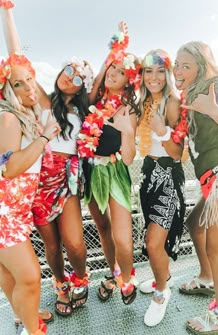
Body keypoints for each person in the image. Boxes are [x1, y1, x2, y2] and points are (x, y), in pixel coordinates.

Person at [1, 2, 96, 318]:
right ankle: (61, 284)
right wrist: (8, 12)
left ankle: (81, 278)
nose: (70, 78)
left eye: (78, 77)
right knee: (52, 247)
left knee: (74, 242)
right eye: (68, 70)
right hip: (39, 178)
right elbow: (17, 60)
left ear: (84, 87)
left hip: (67, 180)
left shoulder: (86, 112)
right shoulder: (40, 97)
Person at [173, 41, 218, 334]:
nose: (178, 70)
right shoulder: (191, 95)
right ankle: (207, 279)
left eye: (186, 65)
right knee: (195, 223)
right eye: (176, 64)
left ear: (202, 64)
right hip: (213, 180)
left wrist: (213, 110)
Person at [78, 25, 141, 305]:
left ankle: (127, 279)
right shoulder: (94, 101)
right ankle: (114, 273)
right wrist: (113, 54)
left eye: (120, 72)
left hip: (115, 172)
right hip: (91, 170)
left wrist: (126, 131)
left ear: (129, 82)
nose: (113, 74)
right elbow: (95, 84)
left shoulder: (127, 110)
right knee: (102, 228)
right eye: (111, 70)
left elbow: (128, 158)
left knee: (123, 238)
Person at [0, 50, 60, 335]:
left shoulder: (23, 116)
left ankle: (24, 316)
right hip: (5, 213)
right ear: (6, 91)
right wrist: (45, 136)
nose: (27, 87)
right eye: (17, 84)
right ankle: (32, 330)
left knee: (11, 275)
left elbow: (17, 53)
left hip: (13, 212)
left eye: (29, 80)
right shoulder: (10, 119)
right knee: (30, 277)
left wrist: (8, 13)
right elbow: (9, 168)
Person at [136, 49, 186, 327]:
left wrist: (162, 132)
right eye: (147, 71)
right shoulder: (143, 102)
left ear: (166, 73)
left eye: (158, 71)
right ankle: (161, 276)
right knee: (153, 238)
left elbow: (178, 153)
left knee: (153, 242)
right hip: (148, 174)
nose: (153, 77)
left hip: (167, 174)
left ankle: (161, 292)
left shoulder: (172, 103)